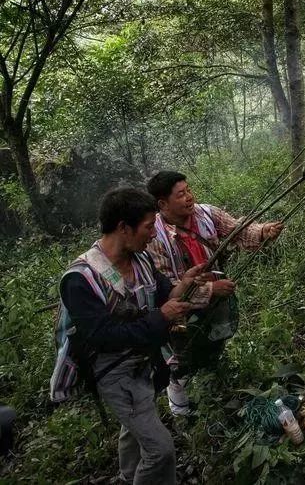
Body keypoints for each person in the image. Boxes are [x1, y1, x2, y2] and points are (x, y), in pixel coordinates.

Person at [59, 188, 208, 484]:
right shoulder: (81, 279)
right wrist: (160, 318)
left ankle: (128, 475)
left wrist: (185, 285)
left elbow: (164, 292)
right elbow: (102, 337)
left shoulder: (140, 260)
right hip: (115, 372)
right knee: (161, 450)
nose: (154, 234)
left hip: (145, 363)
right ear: (123, 228)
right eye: (148, 227)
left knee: (135, 425)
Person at [145, 171, 284, 416]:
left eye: (188, 190)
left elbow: (237, 230)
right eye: (181, 194)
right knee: (182, 358)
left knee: (214, 343)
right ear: (162, 204)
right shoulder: (154, 236)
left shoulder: (206, 213)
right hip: (181, 311)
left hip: (216, 301)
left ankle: (212, 389)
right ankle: (181, 407)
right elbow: (166, 287)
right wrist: (210, 289)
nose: (189, 197)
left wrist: (263, 231)